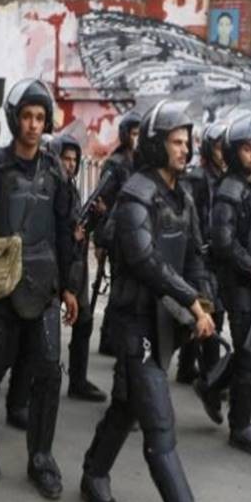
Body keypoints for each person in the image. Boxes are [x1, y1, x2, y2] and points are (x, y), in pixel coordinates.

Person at [80, 99, 216, 502]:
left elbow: (195, 256)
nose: (185, 149)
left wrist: (203, 302)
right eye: (176, 142)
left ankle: (93, 473)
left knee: (127, 405)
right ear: (157, 145)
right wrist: (190, 301)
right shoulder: (136, 194)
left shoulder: (183, 196)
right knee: (158, 422)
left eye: (187, 142)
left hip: (165, 321)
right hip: (135, 322)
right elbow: (145, 260)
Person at [0, 79, 78, 499]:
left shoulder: (56, 172)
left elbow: (65, 232)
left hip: (43, 288)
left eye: (40, 117)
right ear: (14, 119)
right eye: (26, 116)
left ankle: (41, 458)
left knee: (49, 371)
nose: (33, 125)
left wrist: (70, 287)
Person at [203, 112, 251, 457]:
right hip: (239, 284)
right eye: (246, 149)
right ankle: (241, 428)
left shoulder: (249, 187)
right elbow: (224, 243)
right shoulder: (230, 190)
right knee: (247, 356)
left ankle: (211, 385)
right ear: (234, 153)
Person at [50, 134, 106, 402]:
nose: (70, 164)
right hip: (54, 266)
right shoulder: (50, 188)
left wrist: (94, 217)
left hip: (74, 265)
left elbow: (79, 230)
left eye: (74, 159)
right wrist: (69, 235)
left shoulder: (70, 189)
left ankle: (78, 379)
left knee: (84, 322)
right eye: (66, 158)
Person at [180, 121, 227, 386]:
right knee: (211, 313)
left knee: (203, 311)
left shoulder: (223, 179)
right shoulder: (197, 178)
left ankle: (187, 367)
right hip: (200, 256)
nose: (222, 153)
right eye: (218, 148)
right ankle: (211, 376)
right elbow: (189, 216)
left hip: (215, 257)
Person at [93, 111, 142, 356]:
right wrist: (100, 239)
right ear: (125, 135)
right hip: (116, 234)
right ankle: (109, 338)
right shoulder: (115, 163)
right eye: (134, 134)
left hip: (136, 233)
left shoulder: (142, 163)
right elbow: (101, 201)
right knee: (119, 288)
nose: (137, 139)